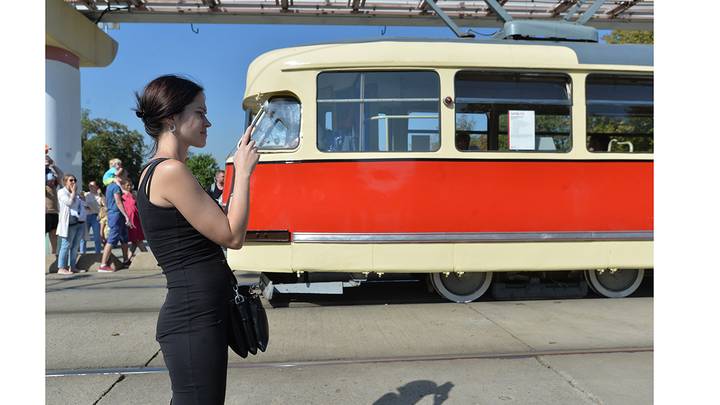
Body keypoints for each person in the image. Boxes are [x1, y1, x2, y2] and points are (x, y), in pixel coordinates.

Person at [134, 74, 259, 404]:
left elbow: (219, 223)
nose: (208, 122)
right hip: (193, 319)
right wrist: (243, 173)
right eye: (200, 112)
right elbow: (232, 235)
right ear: (172, 118)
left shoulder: (161, 170)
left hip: (199, 315)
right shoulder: (170, 172)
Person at [98, 173, 134, 272]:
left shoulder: (112, 186)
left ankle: (126, 260)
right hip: (116, 214)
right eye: (122, 175)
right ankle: (103, 265)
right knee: (112, 239)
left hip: (117, 215)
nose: (124, 177)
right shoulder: (114, 187)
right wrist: (126, 216)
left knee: (124, 238)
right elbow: (118, 202)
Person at [56, 174, 87, 275]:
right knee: (66, 245)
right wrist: (73, 192)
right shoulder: (61, 192)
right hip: (68, 223)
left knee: (75, 246)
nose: (73, 182)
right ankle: (61, 268)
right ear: (65, 182)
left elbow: (82, 205)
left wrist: (81, 199)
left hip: (79, 222)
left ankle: (72, 267)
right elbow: (69, 203)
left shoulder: (76, 194)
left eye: (75, 180)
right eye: (71, 180)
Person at [120, 178, 147, 255]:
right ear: (123, 186)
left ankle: (127, 260)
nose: (129, 187)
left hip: (136, 219)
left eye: (130, 185)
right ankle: (148, 257)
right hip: (130, 220)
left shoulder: (133, 194)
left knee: (135, 242)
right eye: (127, 185)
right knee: (138, 241)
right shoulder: (122, 196)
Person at [80, 181, 104, 254]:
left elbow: (105, 206)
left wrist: (101, 195)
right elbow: (81, 203)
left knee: (97, 237)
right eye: (89, 186)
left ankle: (98, 254)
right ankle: (82, 254)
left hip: (96, 217)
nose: (90, 187)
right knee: (83, 237)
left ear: (97, 187)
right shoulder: (86, 194)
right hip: (86, 217)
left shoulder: (100, 196)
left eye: (92, 186)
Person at [45, 172, 60, 255]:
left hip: (54, 213)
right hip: (46, 214)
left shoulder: (54, 187)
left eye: (53, 181)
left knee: (54, 235)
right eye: (50, 181)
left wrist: (53, 166)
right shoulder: (45, 187)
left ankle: (54, 253)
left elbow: (60, 176)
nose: (52, 182)